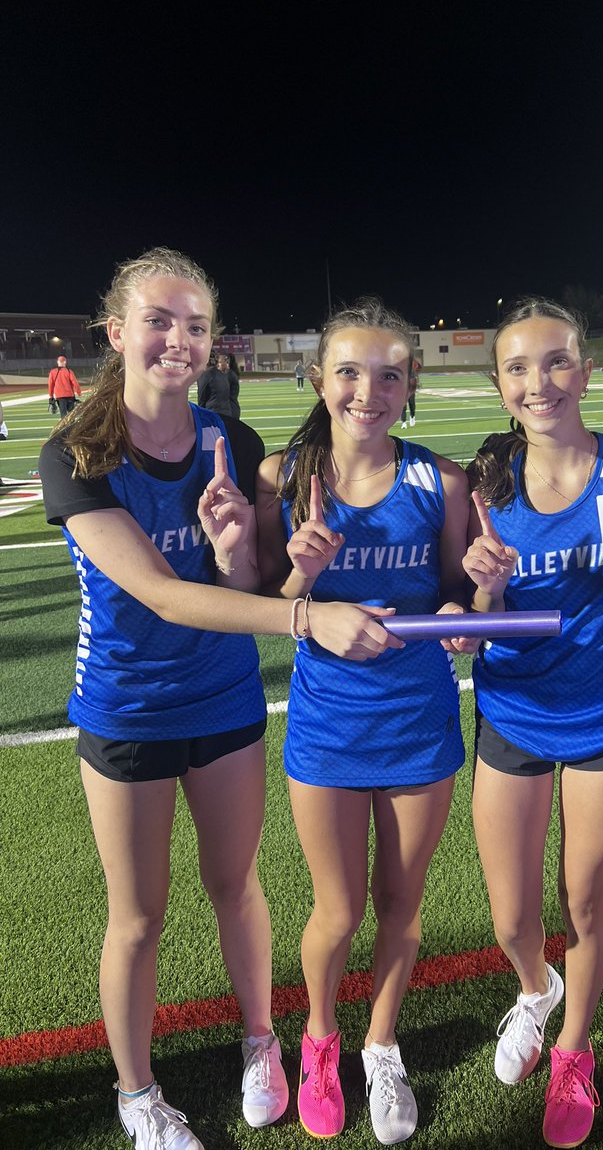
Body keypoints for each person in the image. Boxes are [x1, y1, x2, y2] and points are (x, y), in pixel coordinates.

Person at [37, 248, 398, 1150]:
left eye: (196, 325)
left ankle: (260, 1043)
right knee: (140, 915)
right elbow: (158, 593)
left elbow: (242, 585)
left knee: (237, 885)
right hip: (126, 711)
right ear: (117, 332)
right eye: (158, 320)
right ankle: (136, 1096)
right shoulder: (76, 453)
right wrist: (309, 621)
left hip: (225, 700)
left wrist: (239, 547)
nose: (179, 340)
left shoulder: (228, 444)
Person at [255, 298, 470, 1144]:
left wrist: (470, 600)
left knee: (400, 908)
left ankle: (382, 1045)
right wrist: (300, 575)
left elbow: (457, 592)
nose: (367, 391)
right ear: (319, 379)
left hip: (419, 724)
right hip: (327, 728)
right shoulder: (285, 478)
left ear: (410, 382)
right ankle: (318, 1038)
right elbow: (268, 605)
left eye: (388, 374)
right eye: (348, 371)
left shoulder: (439, 481)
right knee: (336, 911)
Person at [462, 297, 603, 1149]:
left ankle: (575, 1051)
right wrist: (483, 585)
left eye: (555, 362)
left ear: (585, 372)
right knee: (513, 919)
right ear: (500, 384)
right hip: (513, 710)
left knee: (584, 900)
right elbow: (472, 618)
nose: (539, 381)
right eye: (518, 366)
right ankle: (534, 989)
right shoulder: (487, 484)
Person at [197, 350, 239, 418]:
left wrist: (201, 414)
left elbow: (201, 398)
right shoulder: (223, 375)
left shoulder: (205, 375)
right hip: (227, 412)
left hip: (213, 413)